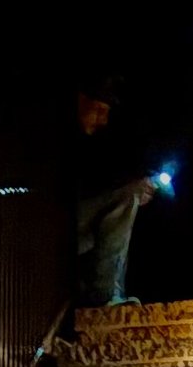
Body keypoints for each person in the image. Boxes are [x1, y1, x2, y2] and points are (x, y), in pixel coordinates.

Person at [72, 87, 173, 306]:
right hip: (47, 230)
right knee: (129, 193)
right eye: (99, 110)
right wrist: (130, 191)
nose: (103, 120)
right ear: (80, 99)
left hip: (71, 230)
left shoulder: (91, 140)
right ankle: (105, 295)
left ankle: (105, 293)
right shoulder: (51, 132)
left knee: (128, 198)